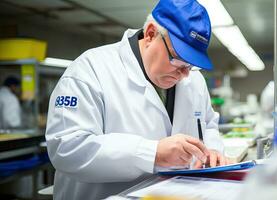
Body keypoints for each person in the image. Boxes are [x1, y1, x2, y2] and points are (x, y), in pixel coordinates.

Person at [46, 0, 227, 199]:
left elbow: (208, 124)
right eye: (178, 60)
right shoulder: (90, 70)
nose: (185, 74)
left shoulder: (194, 81)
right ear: (150, 34)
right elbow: (67, 149)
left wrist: (212, 151)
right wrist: (152, 152)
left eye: (191, 65)